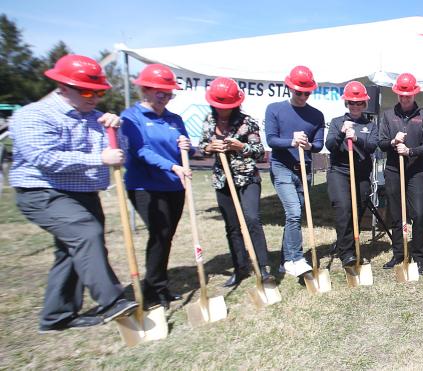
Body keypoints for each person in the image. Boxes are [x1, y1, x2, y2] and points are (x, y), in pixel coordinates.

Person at [9, 54, 137, 332]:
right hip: (42, 192)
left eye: (100, 92)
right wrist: (98, 159)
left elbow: (118, 154)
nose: (95, 97)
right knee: (85, 233)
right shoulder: (33, 115)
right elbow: (43, 157)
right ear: (63, 87)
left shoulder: (96, 119)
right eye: (87, 91)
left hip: (83, 193)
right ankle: (112, 301)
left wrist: (116, 131)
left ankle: (57, 316)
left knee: (71, 252)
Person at [120, 64, 192, 308]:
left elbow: (185, 148)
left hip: (175, 185)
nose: (165, 97)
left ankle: (155, 283)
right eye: (160, 92)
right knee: (159, 232)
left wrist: (186, 146)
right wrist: (172, 167)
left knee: (166, 235)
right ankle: (155, 289)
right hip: (145, 186)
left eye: (169, 93)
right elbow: (141, 151)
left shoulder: (175, 119)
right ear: (145, 90)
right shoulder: (131, 117)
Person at [198, 77, 274, 287]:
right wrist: (209, 148)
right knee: (232, 226)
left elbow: (260, 154)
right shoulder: (209, 121)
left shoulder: (247, 122)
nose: (223, 111)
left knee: (251, 219)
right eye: (219, 106)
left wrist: (241, 147)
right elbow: (202, 146)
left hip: (247, 178)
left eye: (228, 107)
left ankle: (263, 268)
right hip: (223, 180)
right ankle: (240, 268)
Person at [264, 66, 325, 278]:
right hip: (282, 167)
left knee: (294, 216)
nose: (302, 96)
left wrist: (307, 146)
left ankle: (284, 260)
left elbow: (318, 144)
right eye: (298, 92)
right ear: (289, 87)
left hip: (304, 169)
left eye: (307, 92)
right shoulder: (274, 109)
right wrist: (291, 141)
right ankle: (296, 259)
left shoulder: (316, 115)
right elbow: (271, 139)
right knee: (294, 212)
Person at [379, 73, 423, 275]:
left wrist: (410, 151)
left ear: (414, 94)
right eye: (401, 95)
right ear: (397, 94)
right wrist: (393, 143)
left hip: (416, 172)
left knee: (419, 214)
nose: (405, 99)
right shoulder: (387, 116)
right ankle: (398, 253)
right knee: (396, 214)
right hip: (394, 170)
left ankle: (419, 257)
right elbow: (381, 142)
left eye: (408, 96)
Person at [325, 81, 379, 269]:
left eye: (359, 103)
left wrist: (357, 138)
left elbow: (373, 145)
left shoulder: (369, 125)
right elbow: (330, 145)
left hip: (362, 173)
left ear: (364, 104)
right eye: (351, 103)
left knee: (358, 209)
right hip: (339, 172)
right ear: (346, 103)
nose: (355, 106)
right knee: (343, 208)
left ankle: (343, 242)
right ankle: (347, 252)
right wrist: (341, 134)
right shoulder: (337, 122)